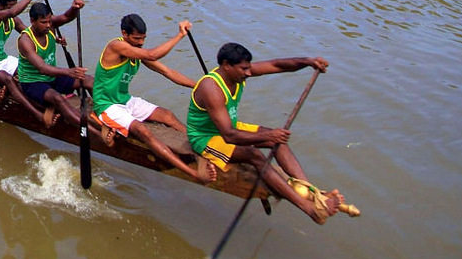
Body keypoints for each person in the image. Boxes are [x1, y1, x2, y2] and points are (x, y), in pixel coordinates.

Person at [187, 43, 343, 222]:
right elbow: (229, 135)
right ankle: (310, 209)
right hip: (205, 138)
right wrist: (268, 136)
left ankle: (312, 192)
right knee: (255, 155)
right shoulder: (211, 88)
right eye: (243, 69)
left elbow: (277, 65)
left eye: (248, 68)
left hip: (229, 128)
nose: (248, 73)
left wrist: (308, 61)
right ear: (226, 65)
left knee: (278, 141)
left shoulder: (237, 74)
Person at [91, 14, 213, 182]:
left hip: (125, 100)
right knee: (142, 131)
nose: (141, 42)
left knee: (168, 116)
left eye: (143, 38)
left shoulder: (138, 52)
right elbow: (151, 55)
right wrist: (179, 35)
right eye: (136, 38)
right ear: (124, 34)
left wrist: (200, 87)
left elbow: (168, 72)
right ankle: (192, 173)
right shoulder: (116, 46)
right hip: (106, 105)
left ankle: (200, 150)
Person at [15, 0, 88, 128]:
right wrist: (69, 72)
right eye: (43, 22)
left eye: (49, 21)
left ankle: (102, 116)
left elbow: (66, 17)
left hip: (52, 78)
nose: (48, 25)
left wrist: (74, 8)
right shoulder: (25, 40)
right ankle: (87, 129)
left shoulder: (50, 26)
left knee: (89, 81)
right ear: (32, 21)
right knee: (57, 98)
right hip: (32, 82)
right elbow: (42, 68)